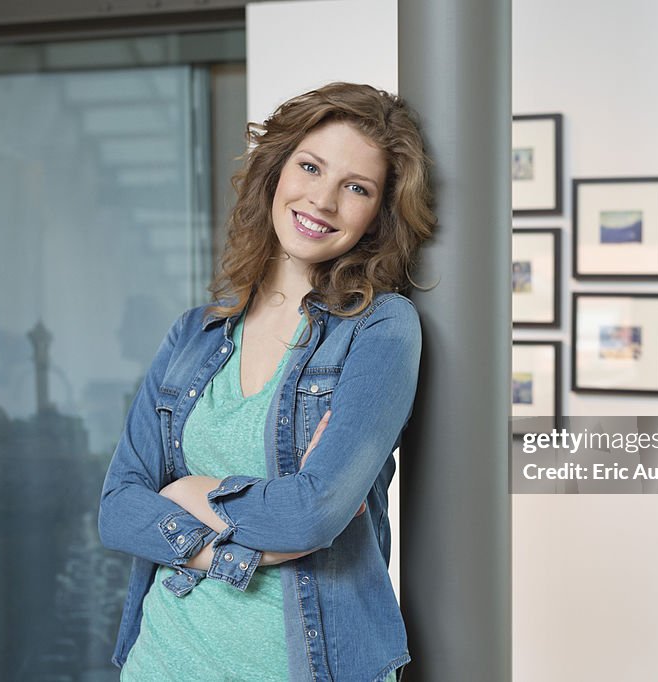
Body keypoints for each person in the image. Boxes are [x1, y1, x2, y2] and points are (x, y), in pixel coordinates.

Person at [98, 82, 435, 682]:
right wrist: (246, 537)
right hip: (163, 659)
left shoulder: (380, 328)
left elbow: (310, 515)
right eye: (310, 167)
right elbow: (119, 507)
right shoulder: (194, 335)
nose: (323, 200)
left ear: (379, 214)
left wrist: (184, 494)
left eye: (356, 188)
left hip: (307, 666)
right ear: (276, 172)